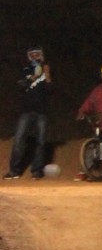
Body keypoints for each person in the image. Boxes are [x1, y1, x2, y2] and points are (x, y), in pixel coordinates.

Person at [4, 46, 52, 179]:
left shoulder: (46, 69)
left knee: (40, 142)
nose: (35, 57)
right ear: (29, 57)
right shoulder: (24, 70)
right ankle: (14, 171)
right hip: (25, 111)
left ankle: (36, 171)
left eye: (37, 55)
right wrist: (35, 76)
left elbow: (51, 90)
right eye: (32, 55)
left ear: (42, 56)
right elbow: (20, 86)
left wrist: (46, 74)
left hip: (42, 111)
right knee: (19, 140)